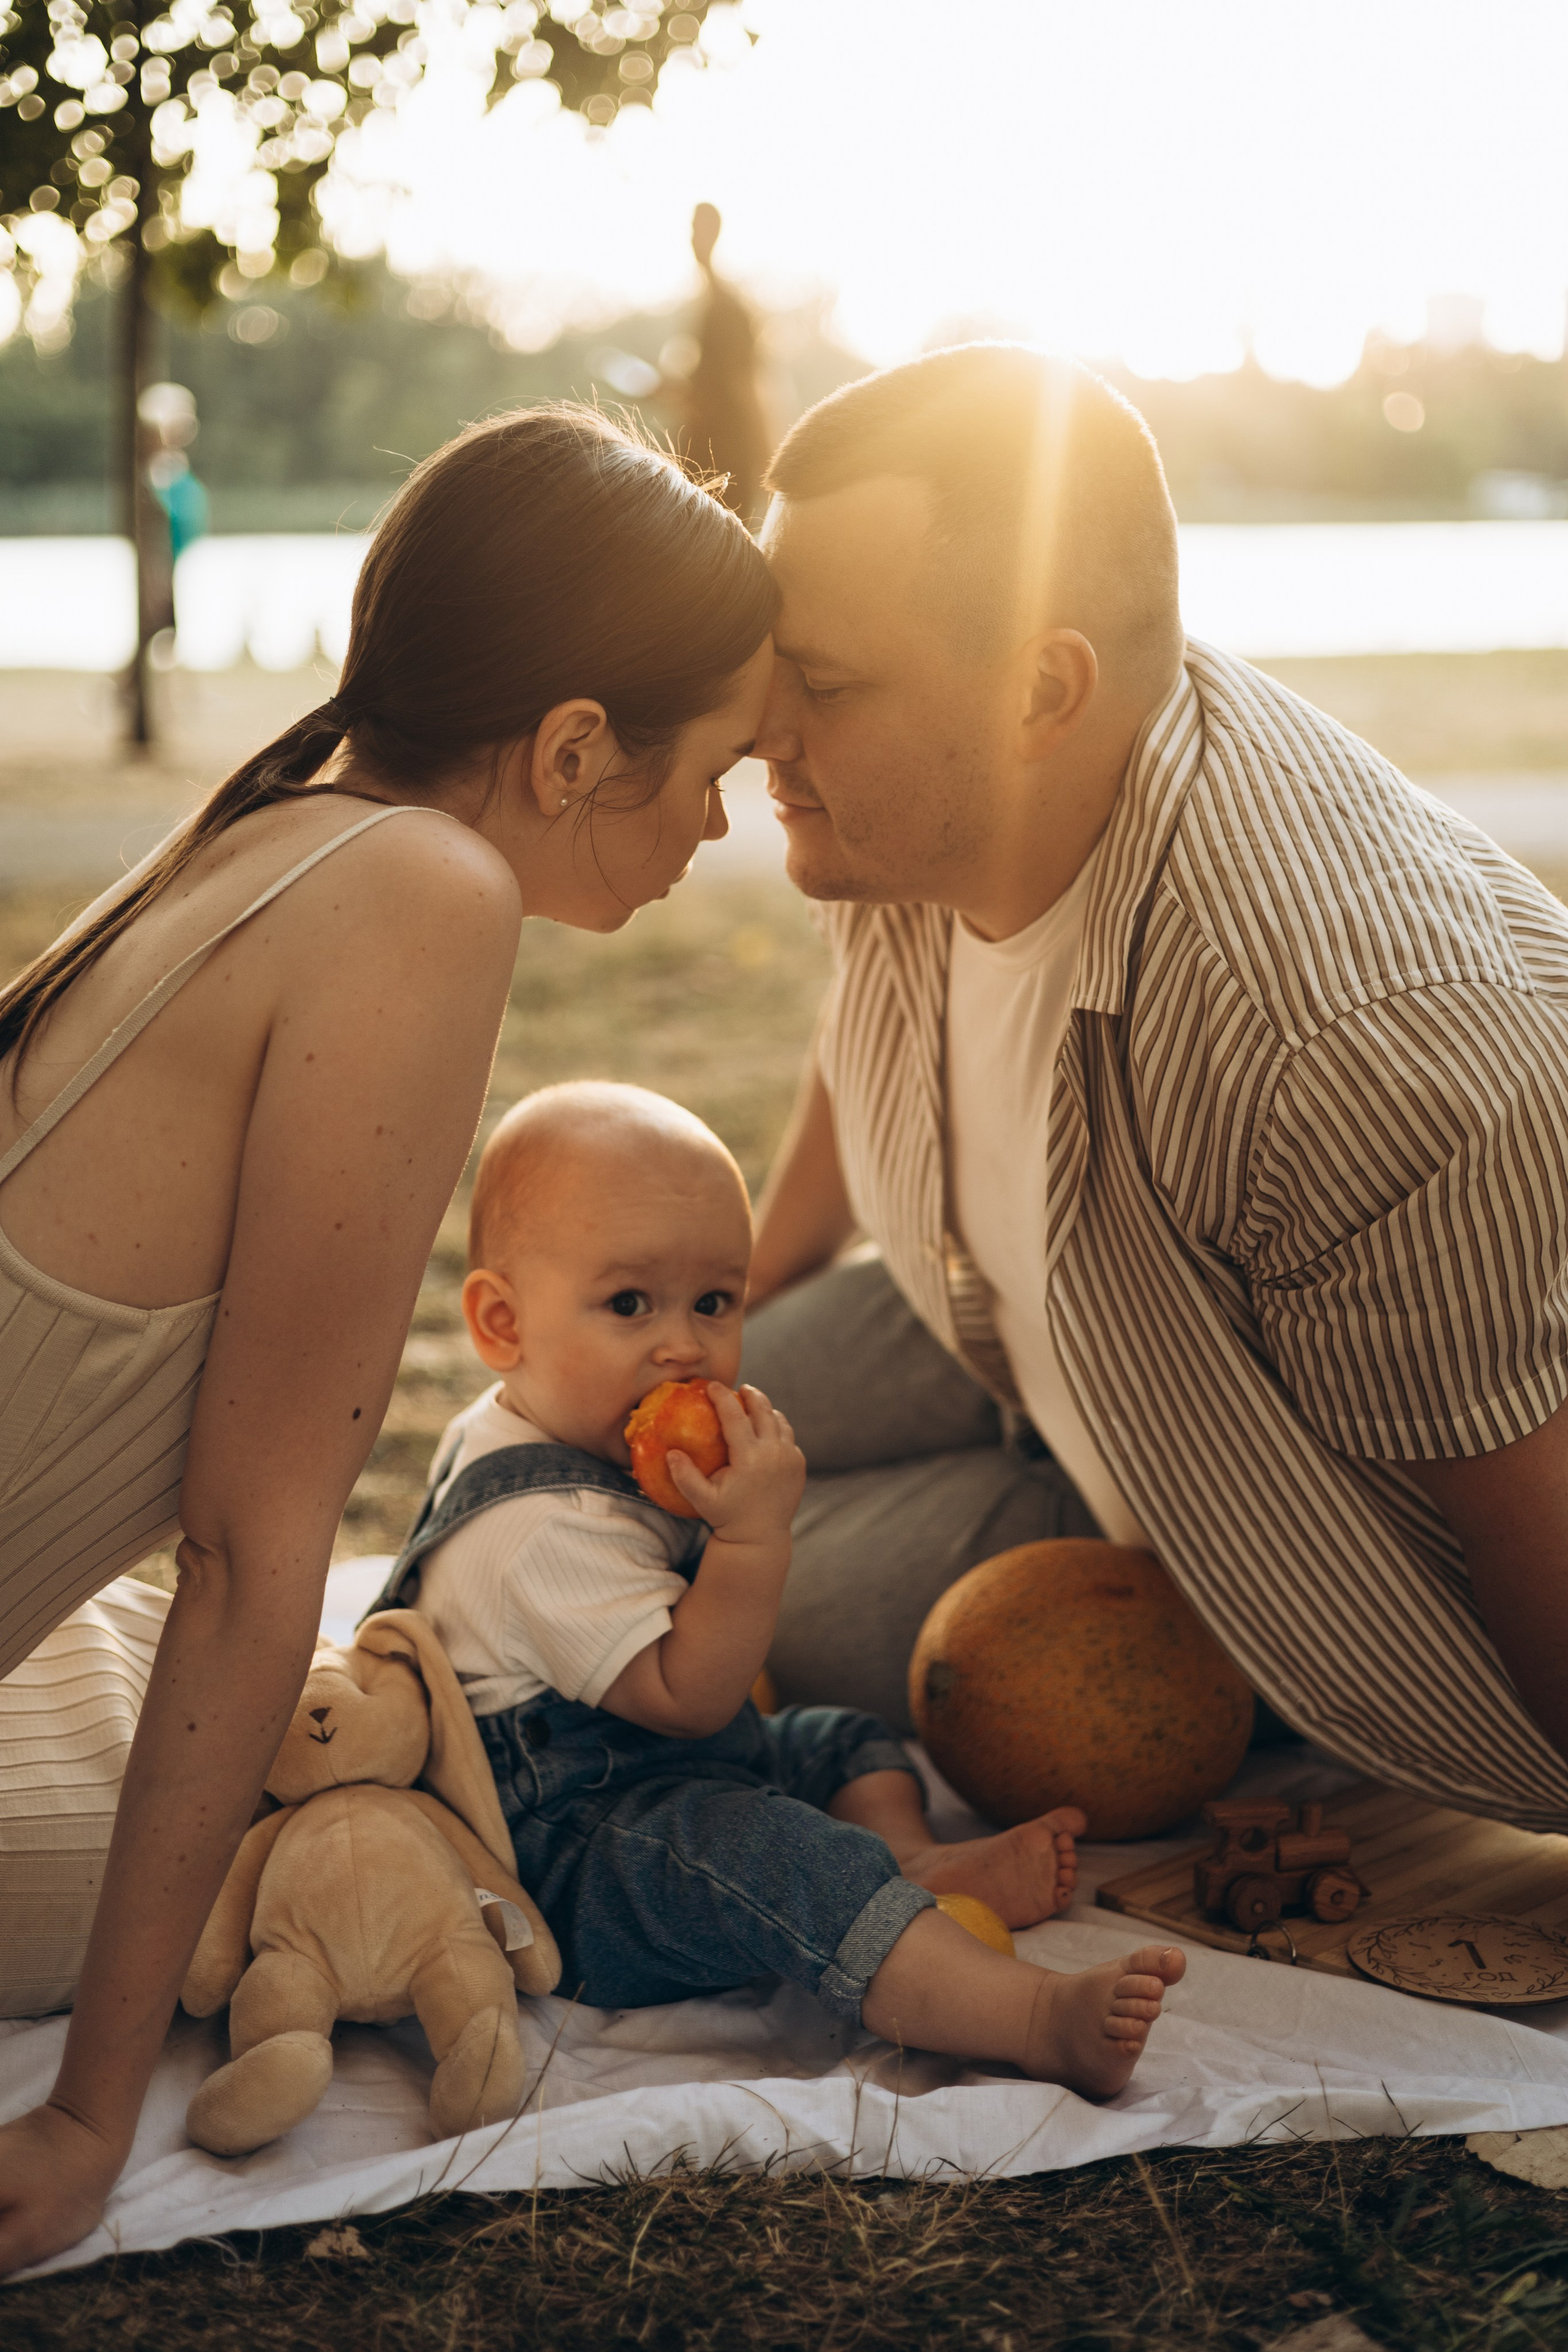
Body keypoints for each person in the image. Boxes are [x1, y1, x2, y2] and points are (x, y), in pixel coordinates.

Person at [0, 405, 778, 2274]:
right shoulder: (425, 891)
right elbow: (251, 1549)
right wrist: (95, 2113)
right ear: (578, 746)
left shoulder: (284, 830)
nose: (723, 822)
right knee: (319, 1797)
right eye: (719, 767)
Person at [739, 342, 1568, 1833]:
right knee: (590, 1440)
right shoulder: (908, 800)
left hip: (1247, 1503)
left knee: (688, 1601)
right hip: (1009, 1315)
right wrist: (735, 1289)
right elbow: (866, 1014)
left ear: (1039, 692)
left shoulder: (1342, 1044)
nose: (758, 731)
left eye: (822, 685)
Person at [377, 1079, 1184, 2086]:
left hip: (671, 1777)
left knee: (840, 1735)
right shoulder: (540, 1531)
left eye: (713, 1302)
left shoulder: (535, 1419)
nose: (683, 1344)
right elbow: (692, 1697)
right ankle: (1025, 2016)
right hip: (582, 1858)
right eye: (629, 1303)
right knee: (785, 1860)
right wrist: (753, 1543)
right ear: (502, 1323)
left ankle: (909, 1866)